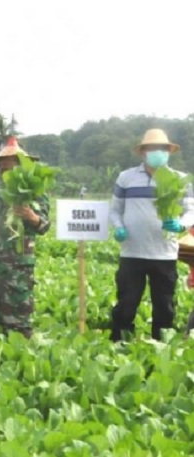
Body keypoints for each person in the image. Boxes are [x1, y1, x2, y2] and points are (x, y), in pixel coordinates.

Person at [108, 128, 194, 342]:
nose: (158, 152)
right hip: (132, 252)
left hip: (164, 253)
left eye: (163, 148)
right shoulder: (126, 177)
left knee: (164, 306)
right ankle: (119, 343)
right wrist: (118, 227)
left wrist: (181, 225)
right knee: (126, 303)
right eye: (153, 148)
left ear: (169, 152)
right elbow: (115, 209)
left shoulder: (180, 179)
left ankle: (161, 345)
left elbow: (191, 210)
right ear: (143, 152)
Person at [0, 137, 51, 338]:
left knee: (18, 319)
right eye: (0, 165)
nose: (2, 168)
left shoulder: (35, 194)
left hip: (17, 269)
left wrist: (31, 216)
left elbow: (44, 226)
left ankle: (21, 353)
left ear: (21, 166)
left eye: (7, 164)